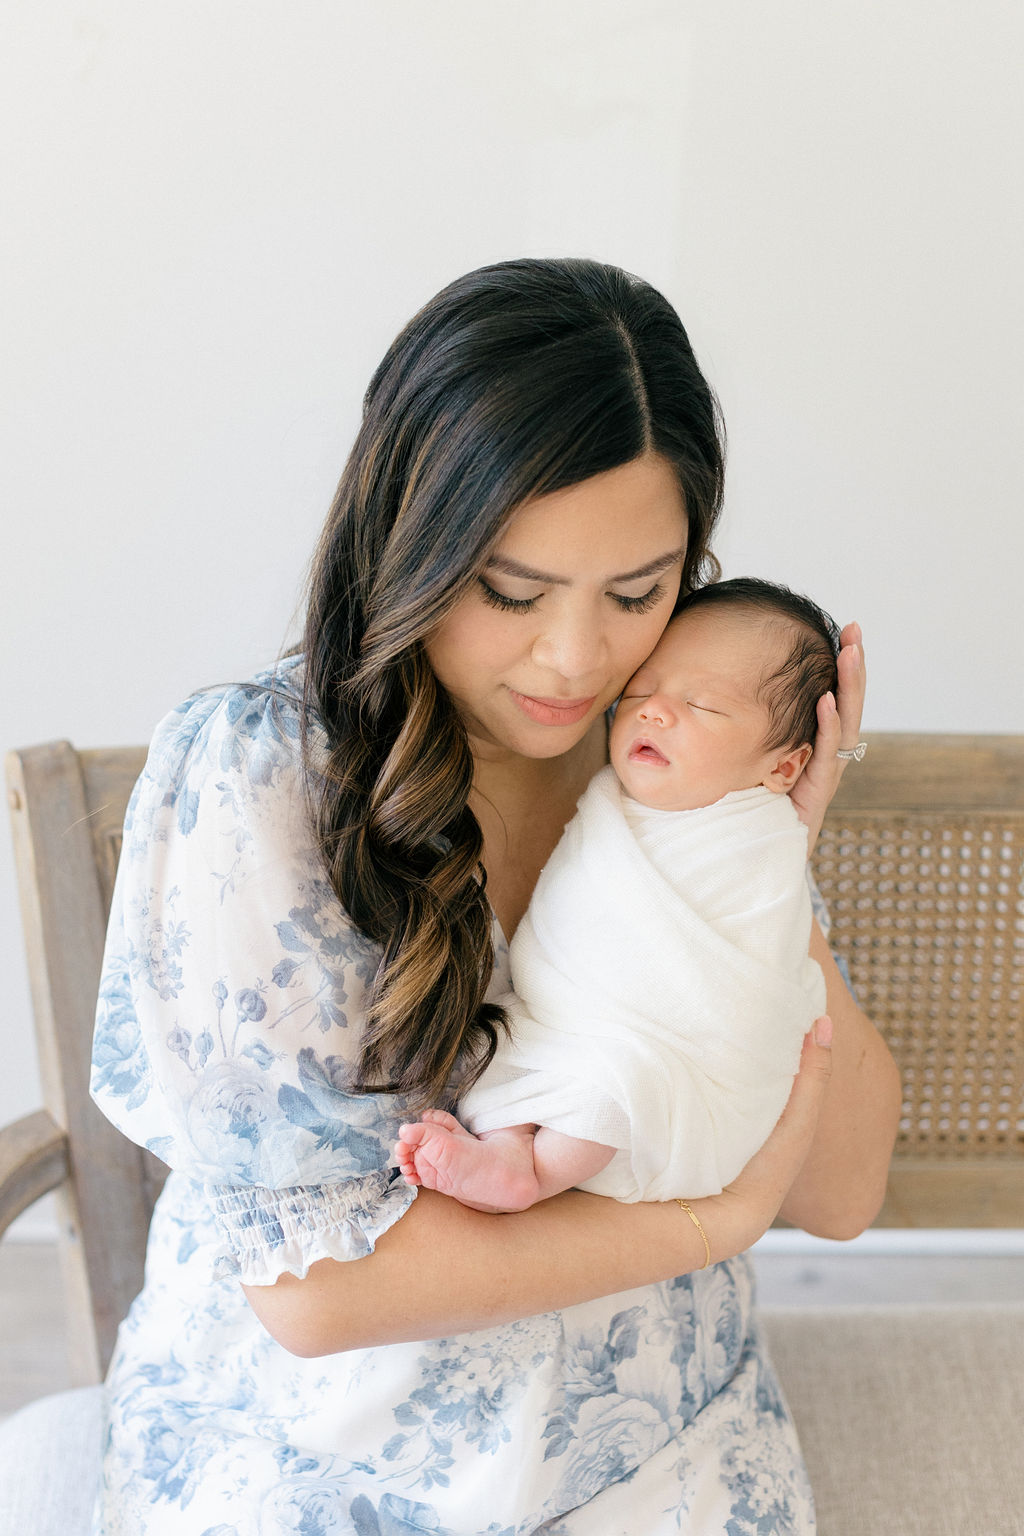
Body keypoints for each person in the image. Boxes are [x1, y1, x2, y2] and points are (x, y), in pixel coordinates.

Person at [85, 257, 899, 1535]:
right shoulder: (261, 776)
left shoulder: (672, 756)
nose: (577, 660)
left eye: (637, 593)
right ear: (406, 542)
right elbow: (316, 1297)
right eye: (510, 594)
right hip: (322, 1452)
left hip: (651, 1432)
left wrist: (764, 861)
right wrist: (714, 1221)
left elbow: (841, 1192)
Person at [395, 579, 839, 1214]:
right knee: (507, 1049)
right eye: (641, 690)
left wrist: (801, 829)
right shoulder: (611, 795)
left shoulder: (759, 839)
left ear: (783, 768)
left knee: (614, 1083)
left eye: (705, 706)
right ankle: (507, 1144)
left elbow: (751, 984)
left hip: (675, 1071)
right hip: (572, 1020)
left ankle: (531, 1177)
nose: (653, 711)